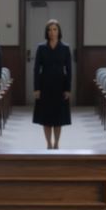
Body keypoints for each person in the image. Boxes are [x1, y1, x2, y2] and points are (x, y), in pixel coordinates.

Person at [33, 20, 73, 149]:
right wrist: (36, 88)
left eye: (55, 29)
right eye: (49, 30)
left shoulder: (65, 48)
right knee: (46, 117)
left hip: (60, 85)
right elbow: (36, 69)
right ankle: (48, 143)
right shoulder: (41, 47)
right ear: (47, 32)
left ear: (59, 31)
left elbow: (69, 70)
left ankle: (56, 143)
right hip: (44, 85)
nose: (52, 32)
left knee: (58, 117)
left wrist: (68, 89)